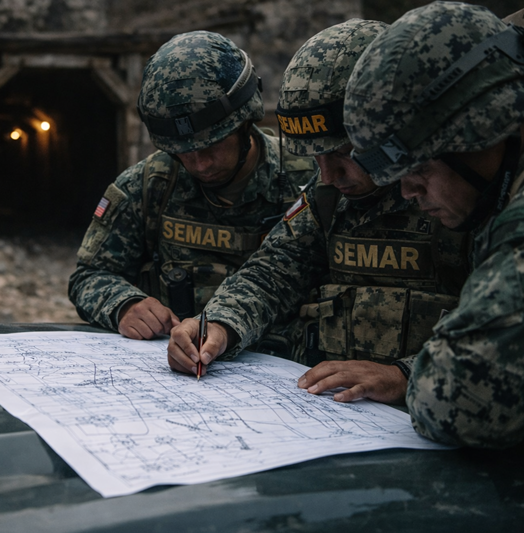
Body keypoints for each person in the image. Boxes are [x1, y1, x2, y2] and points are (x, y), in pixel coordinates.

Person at [167, 19, 472, 405]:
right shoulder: (328, 198)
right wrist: (219, 324)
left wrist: (405, 375)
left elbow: (509, 330)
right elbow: (274, 272)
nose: (328, 175)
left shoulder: (460, 193)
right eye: (316, 157)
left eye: (345, 154)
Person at [343, 1, 524, 452]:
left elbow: (452, 403)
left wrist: (414, 373)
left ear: (480, 132)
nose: (407, 193)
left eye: (419, 171)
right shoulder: (513, 185)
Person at [68, 31, 316, 345]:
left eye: (212, 145)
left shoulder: (313, 181)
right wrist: (124, 305)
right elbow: (88, 276)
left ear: (244, 121)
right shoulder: (148, 186)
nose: (199, 164)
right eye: (182, 151)